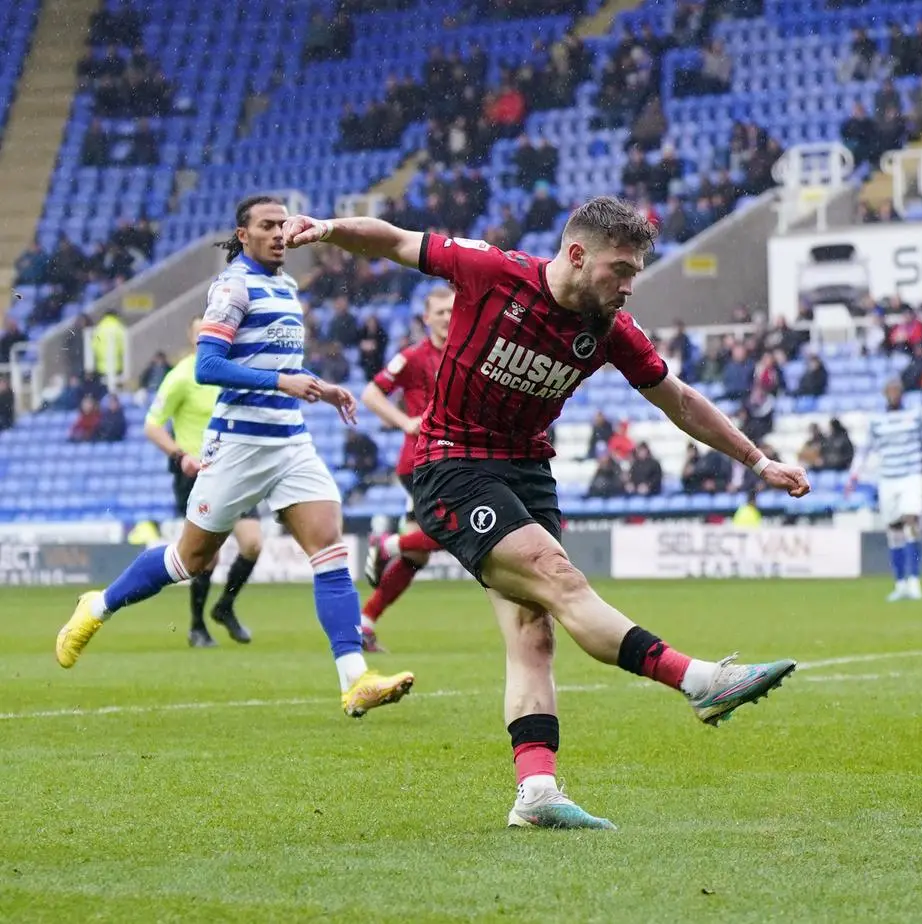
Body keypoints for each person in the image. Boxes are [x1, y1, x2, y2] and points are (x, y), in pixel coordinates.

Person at [283, 196, 808, 830]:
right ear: (578, 255)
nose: (629, 285)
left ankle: (535, 792)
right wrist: (330, 230)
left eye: (637, 270)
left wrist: (758, 461)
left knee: (534, 631)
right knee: (557, 577)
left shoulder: (611, 328)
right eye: (620, 269)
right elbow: (393, 240)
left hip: (528, 472)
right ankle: (699, 681)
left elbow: (679, 400)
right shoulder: (491, 272)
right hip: (451, 463)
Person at [55, 196, 414, 719]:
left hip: (290, 440)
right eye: (266, 225)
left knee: (329, 549)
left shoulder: (287, 287)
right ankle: (99, 604)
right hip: (239, 444)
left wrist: (320, 385)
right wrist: (281, 380)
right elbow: (208, 366)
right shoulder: (232, 286)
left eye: (283, 224)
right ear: (242, 235)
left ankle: (354, 678)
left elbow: (278, 360)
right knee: (189, 561)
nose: (278, 233)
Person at [144, 316, 262, 647]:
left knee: (253, 543)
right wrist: (180, 455)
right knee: (206, 556)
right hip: (198, 475)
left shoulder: (231, 371)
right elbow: (152, 425)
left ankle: (224, 606)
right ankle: (197, 625)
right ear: (191, 336)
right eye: (198, 333)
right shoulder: (181, 376)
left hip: (237, 471)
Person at [357, 285, 454, 652]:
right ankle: (386, 543)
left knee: (416, 556)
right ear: (426, 318)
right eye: (440, 312)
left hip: (451, 460)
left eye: (451, 311)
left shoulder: (468, 352)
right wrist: (404, 422)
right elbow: (371, 393)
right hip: (422, 462)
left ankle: (364, 624)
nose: (446, 317)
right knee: (451, 531)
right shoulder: (412, 357)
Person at [844, 379, 922, 602]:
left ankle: (914, 580)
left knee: (911, 522)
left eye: (897, 391)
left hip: (911, 476)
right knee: (894, 530)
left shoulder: (915, 417)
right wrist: (854, 476)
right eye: (890, 392)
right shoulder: (877, 422)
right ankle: (900, 583)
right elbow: (864, 450)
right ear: (885, 395)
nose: (893, 395)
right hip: (888, 479)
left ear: (902, 394)